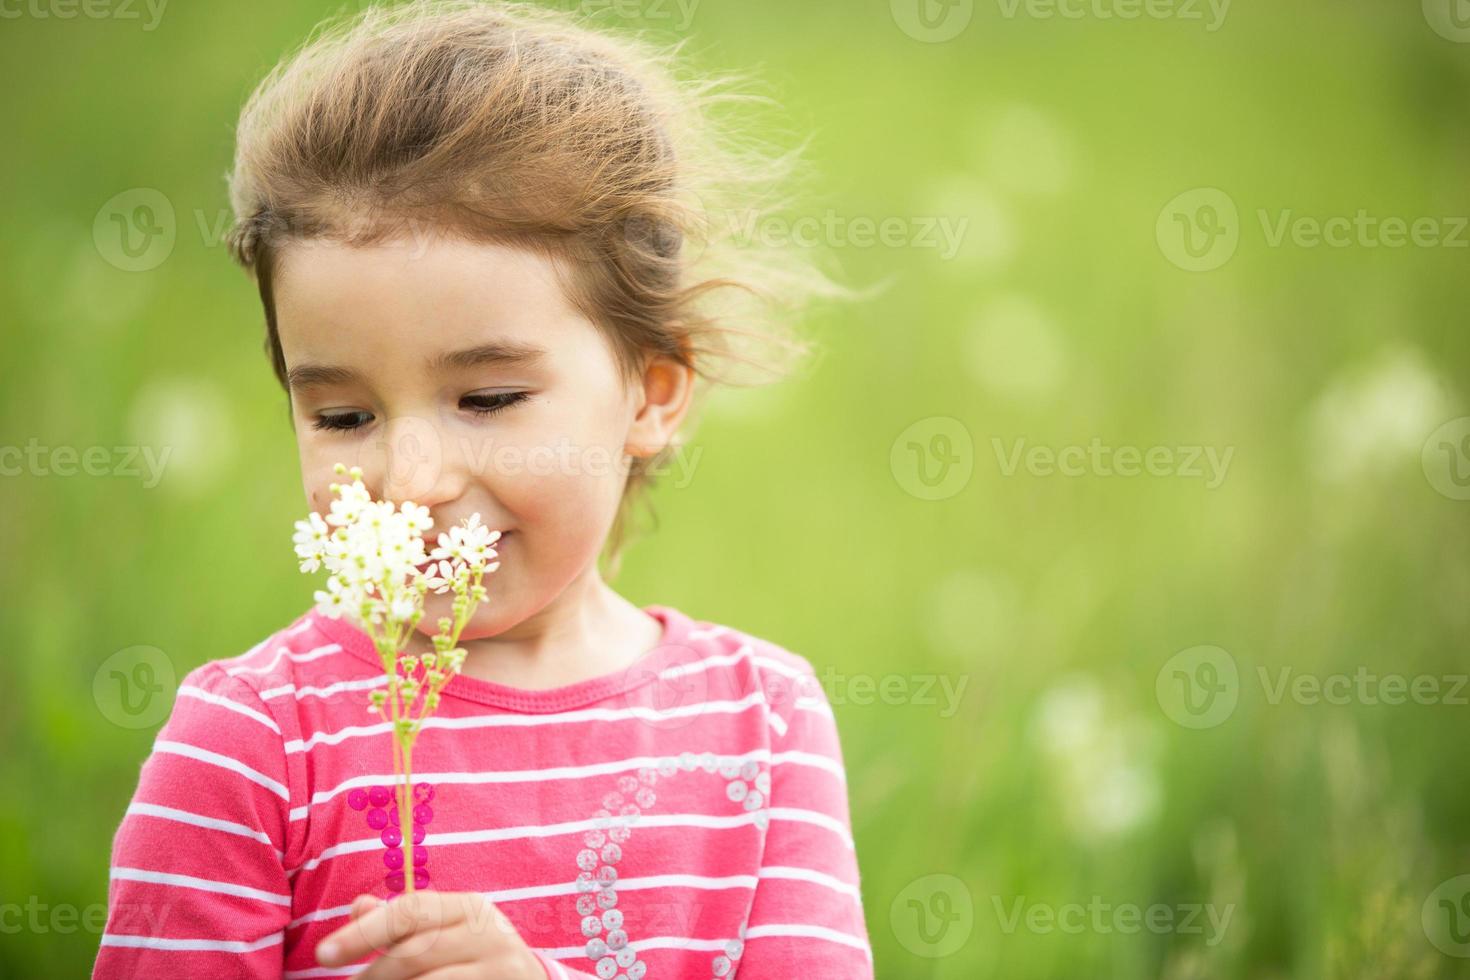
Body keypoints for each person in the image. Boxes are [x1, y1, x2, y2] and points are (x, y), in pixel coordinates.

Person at [92, 1, 870, 976]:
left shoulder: (763, 723)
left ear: (653, 391)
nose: (410, 481)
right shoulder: (255, 742)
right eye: (343, 416)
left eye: (488, 397)